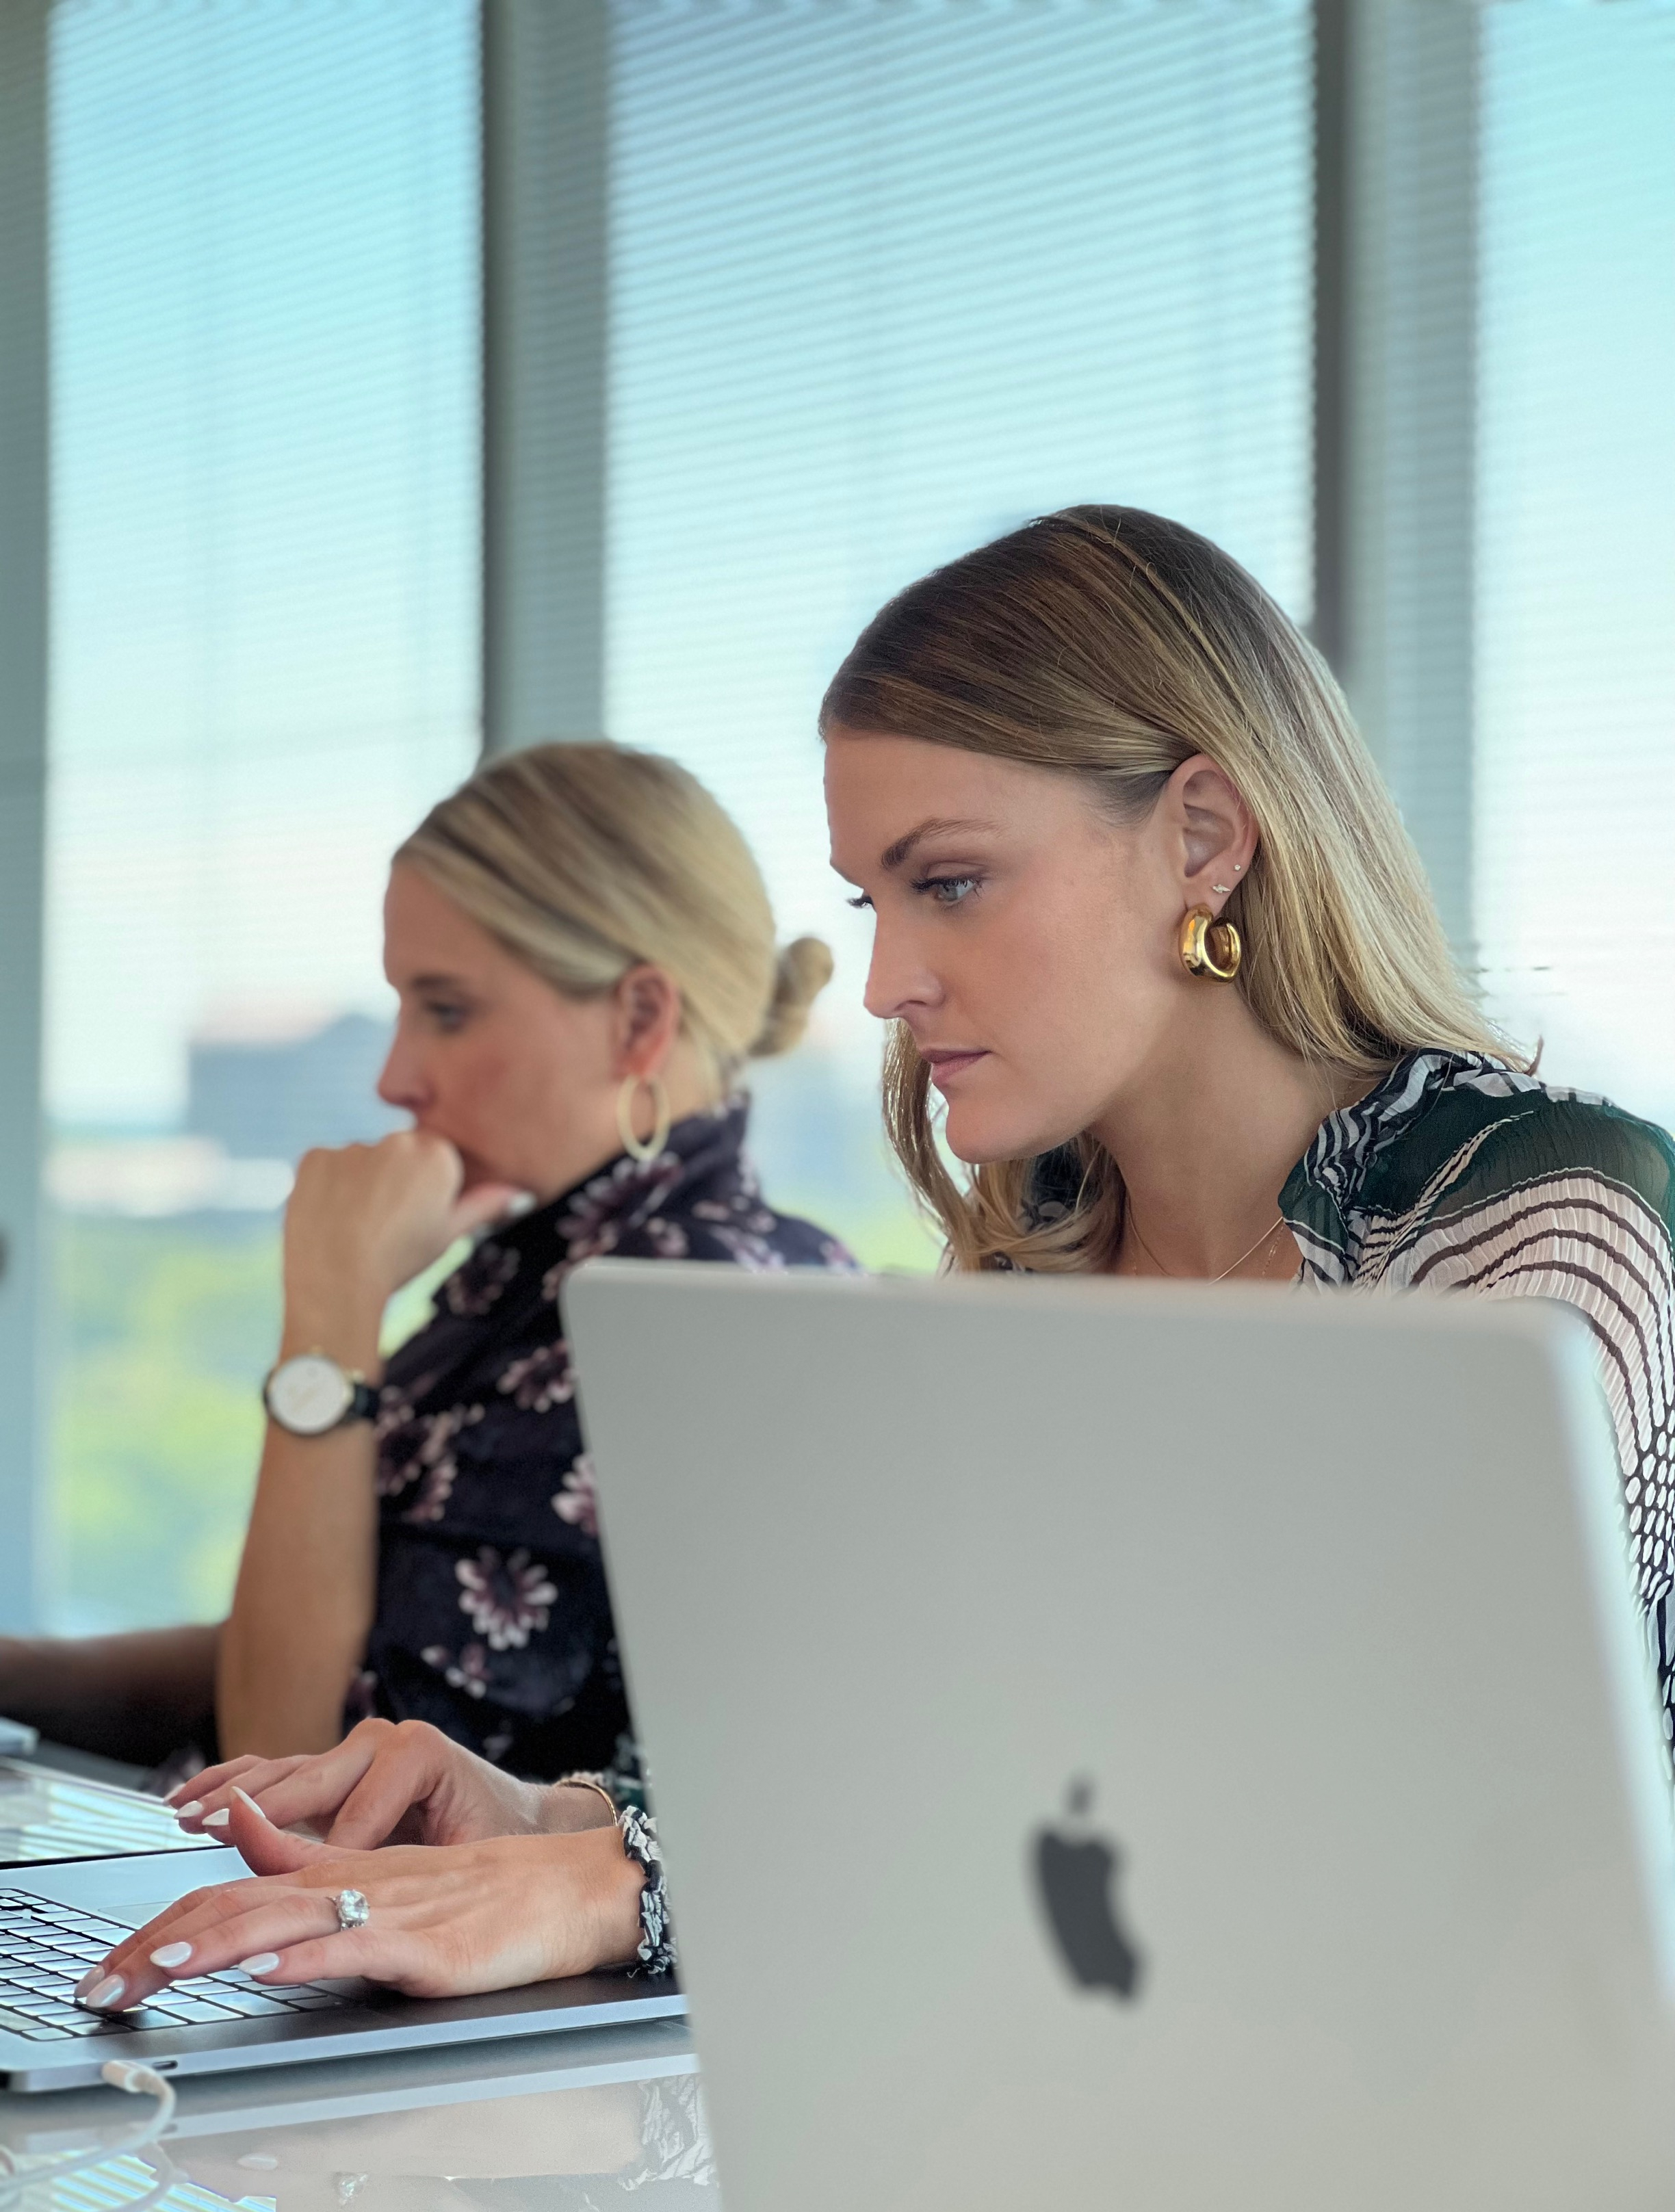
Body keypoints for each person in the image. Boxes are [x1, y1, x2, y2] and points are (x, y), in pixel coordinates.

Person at [83, 505, 1675, 2016]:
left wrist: (624, 1886)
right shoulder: (1030, 1276)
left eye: (953, 883)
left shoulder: (1528, 1220)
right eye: (871, 899)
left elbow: (1365, 1821)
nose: (886, 981)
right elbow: (955, 1798)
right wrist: (539, 1819)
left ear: (1203, 835)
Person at [3, 742, 851, 1795]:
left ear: (639, 1019)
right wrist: (20, 1675)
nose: (397, 1077)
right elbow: (351, 1622)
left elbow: (294, 1777)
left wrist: (331, 1311)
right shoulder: (547, 1262)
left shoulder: (673, 1314)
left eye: (446, 1010)